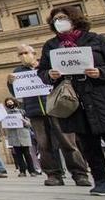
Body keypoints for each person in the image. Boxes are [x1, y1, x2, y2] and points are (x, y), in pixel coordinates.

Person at [38, 6, 105, 196]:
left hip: (102, 100)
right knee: (88, 145)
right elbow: (41, 72)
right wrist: (49, 74)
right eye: (56, 19)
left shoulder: (95, 39)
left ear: (74, 19)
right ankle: (101, 182)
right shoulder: (51, 46)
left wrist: (101, 72)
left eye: (63, 17)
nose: (59, 21)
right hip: (74, 101)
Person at [9, 43, 90, 187]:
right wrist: (11, 84)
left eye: (26, 52)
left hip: (57, 109)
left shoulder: (47, 67)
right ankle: (53, 175)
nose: (23, 56)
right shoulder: (18, 72)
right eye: (20, 54)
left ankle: (80, 174)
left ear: (34, 53)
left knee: (68, 143)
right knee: (44, 145)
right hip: (36, 113)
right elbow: (17, 95)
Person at [2, 97, 36, 177]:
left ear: (14, 103)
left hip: (23, 135)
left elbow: (29, 124)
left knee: (27, 154)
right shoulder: (5, 114)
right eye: (8, 103)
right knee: (18, 155)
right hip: (13, 136)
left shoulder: (22, 112)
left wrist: (24, 121)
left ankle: (32, 171)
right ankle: (22, 171)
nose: (10, 104)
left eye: (11, 103)